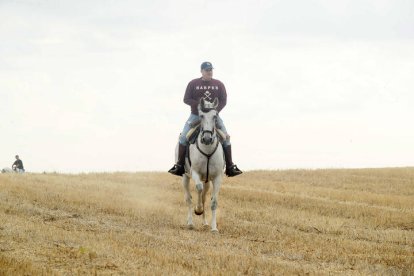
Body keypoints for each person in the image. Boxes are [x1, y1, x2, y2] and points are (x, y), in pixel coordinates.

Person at [168, 61, 242, 177]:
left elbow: (223, 100)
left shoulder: (219, 84)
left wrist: (215, 110)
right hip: (196, 115)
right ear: (201, 71)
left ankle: (230, 166)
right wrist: (199, 105)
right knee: (183, 137)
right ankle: (180, 165)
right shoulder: (193, 83)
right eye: (207, 70)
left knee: (226, 137)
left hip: (213, 116)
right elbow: (186, 99)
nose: (209, 72)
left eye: (211, 70)